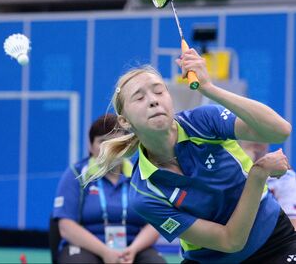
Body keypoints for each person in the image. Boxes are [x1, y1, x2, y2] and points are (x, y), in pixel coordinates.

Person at [85, 47, 295, 263]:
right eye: (139, 98)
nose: (153, 101)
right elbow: (230, 241)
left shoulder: (203, 122)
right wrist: (257, 176)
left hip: (274, 243)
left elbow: (280, 131)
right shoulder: (144, 194)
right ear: (125, 122)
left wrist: (209, 88)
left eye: (159, 91)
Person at [53, 113, 165, 263]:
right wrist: (105, 252)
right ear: (90, 146)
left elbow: (154, 223)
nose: (109, 148)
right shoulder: (76, 174)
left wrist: (133, 250)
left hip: (133, 248)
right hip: (86, 249)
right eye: (102, 142)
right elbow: (66, 226)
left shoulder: (141, 175)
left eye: (115, 141)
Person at [240, 140, 296, 229]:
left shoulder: (286, 178)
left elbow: (292, 229)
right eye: (249, 131)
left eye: (261, 131)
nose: (256, 137)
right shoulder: (227, 174)